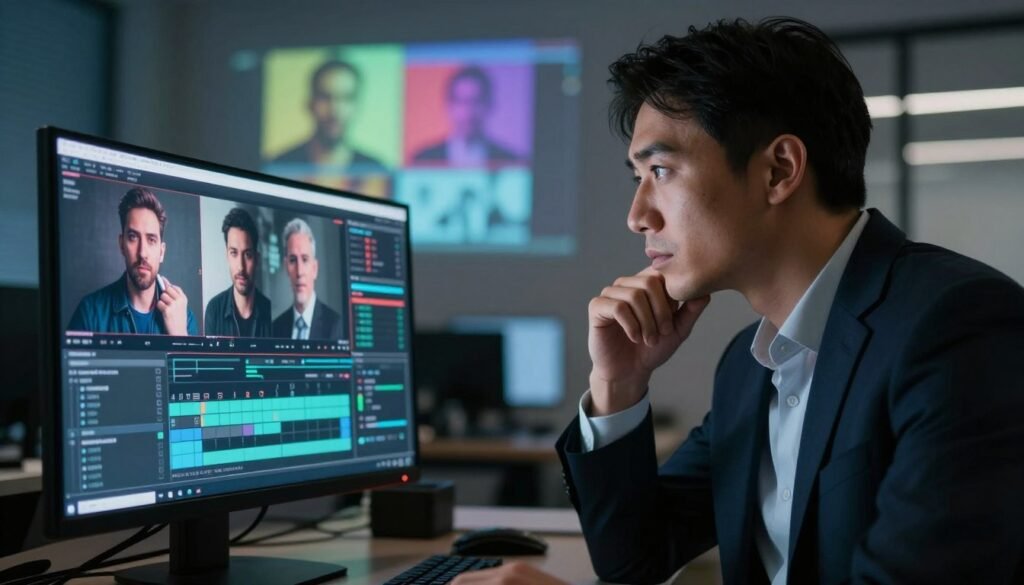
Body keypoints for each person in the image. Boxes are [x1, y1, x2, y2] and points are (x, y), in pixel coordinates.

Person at [455, 17, 1024, 585]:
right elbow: (634, 560)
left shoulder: (958, 326)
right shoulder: (748, 367)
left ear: (778, 171)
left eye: (660, 171)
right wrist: (618, 384)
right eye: (637, 177)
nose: (637, 216)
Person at [68, 187, 198, 336]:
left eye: (151, 240)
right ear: (121, 245)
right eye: (133, 237)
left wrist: (180, 335)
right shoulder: (89, 312)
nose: (142, 253)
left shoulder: (183, 317)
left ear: (161, 252)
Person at [271, 60, 386, 173]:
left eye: (346, 98)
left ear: (357, 105)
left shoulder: (377, 172)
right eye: (325, 97)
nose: (335, 110)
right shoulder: (278, 167)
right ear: (310, 104)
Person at [412, 66, 522, 166]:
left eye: (476, 101)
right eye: (462, 102)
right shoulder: (423, 160)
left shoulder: (511, 162)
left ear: (489, 105)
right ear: (449, 106)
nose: (468, 111)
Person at [203, 208, 272, 337]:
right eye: (234, 253)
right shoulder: (214, 310)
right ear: (227, 255)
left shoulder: (270, 312)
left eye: (248, 255)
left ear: (257, 259)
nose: (241, 267)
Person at [272, 218, 344, 340]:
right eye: (293, 260)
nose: (299, 272)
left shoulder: (336, 326)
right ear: (286, 267)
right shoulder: (275, 328)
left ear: (314, 269)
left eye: (305, 259)